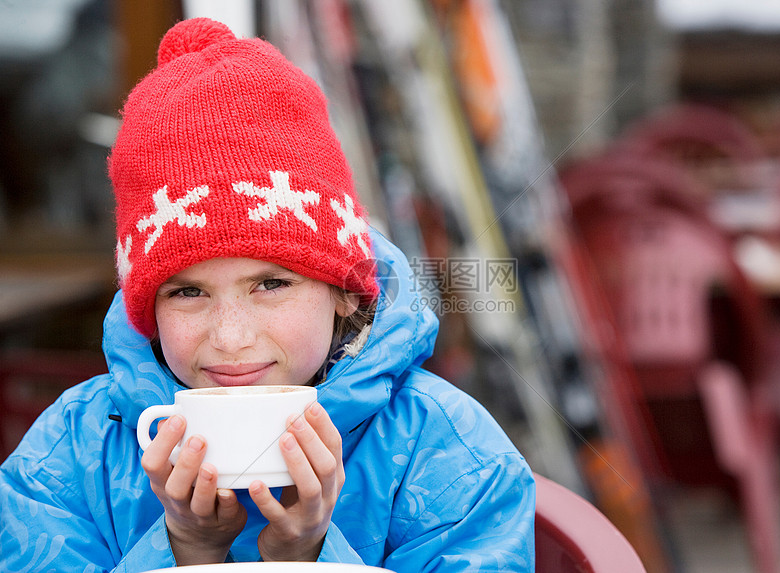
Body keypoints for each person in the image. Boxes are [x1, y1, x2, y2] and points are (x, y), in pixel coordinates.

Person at [0, 17, 535, 571]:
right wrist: (185, 548)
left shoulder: (450, 456)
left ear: (344, 292)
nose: (231, 337)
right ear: (148, 312)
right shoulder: (69, 457)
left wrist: (310, 555)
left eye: (272, 284)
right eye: (187, 293)